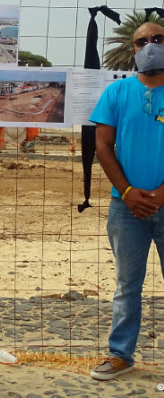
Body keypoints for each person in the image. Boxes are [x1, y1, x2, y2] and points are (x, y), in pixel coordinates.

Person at [89, 22, 164, 380]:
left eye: (158, 39)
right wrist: (130, 193)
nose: (150, 45)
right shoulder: (116, 92)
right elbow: (103, 148)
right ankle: (121, 355)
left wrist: (162, 193)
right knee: (127, 285)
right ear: (132, 50)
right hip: (126, 208)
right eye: (141, 42)